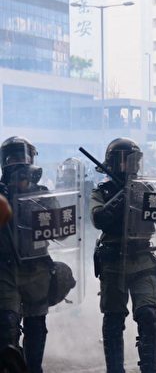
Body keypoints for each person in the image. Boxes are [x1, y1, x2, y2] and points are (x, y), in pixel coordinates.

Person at [90, 138, 156, 373]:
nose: (135, 166)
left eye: (136, 161)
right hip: (112, 263)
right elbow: (99, 219)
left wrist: (146, 197)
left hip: (142, 259)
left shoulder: (147, 188)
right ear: (116, 162)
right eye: (130, 161)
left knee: (149, 316)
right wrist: (123, 195)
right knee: (113, 320)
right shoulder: (102, 192)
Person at [0, 137, 53, 373]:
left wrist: (26, 196)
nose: (20, 163)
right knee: (7, 323)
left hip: (37, 269)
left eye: (24, 157)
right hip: (6, 268)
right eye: (13, 158)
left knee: (36, 325)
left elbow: (60, 227)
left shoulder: (42, 194)